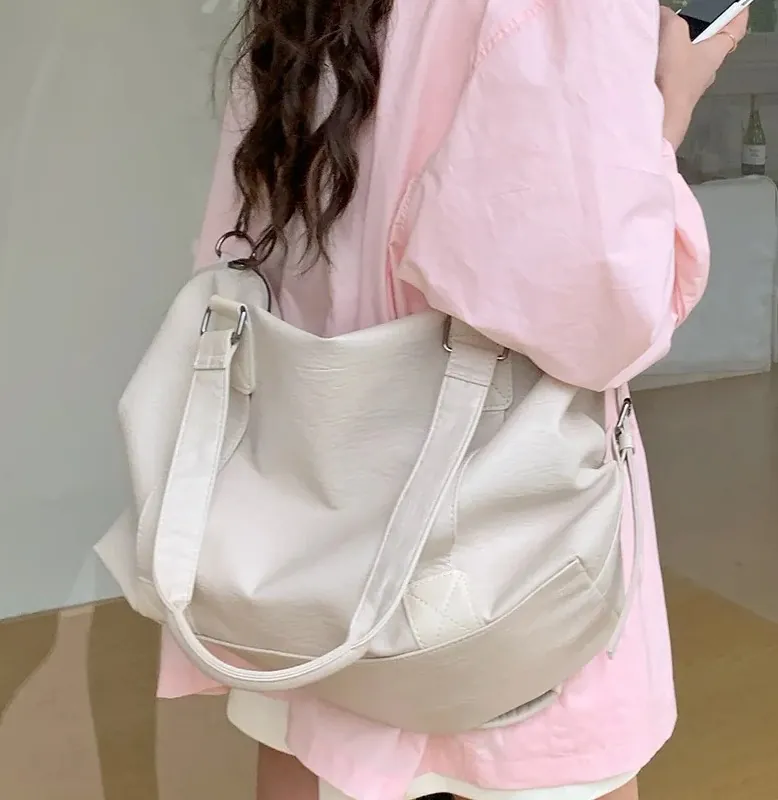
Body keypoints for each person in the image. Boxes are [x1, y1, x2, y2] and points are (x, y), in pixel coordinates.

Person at [156, 2, 749, 799]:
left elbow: (240, 248)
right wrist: (673, 101)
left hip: (303, 529)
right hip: (504, 539)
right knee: (541, 751)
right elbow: (593, 310)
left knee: (315, 740)